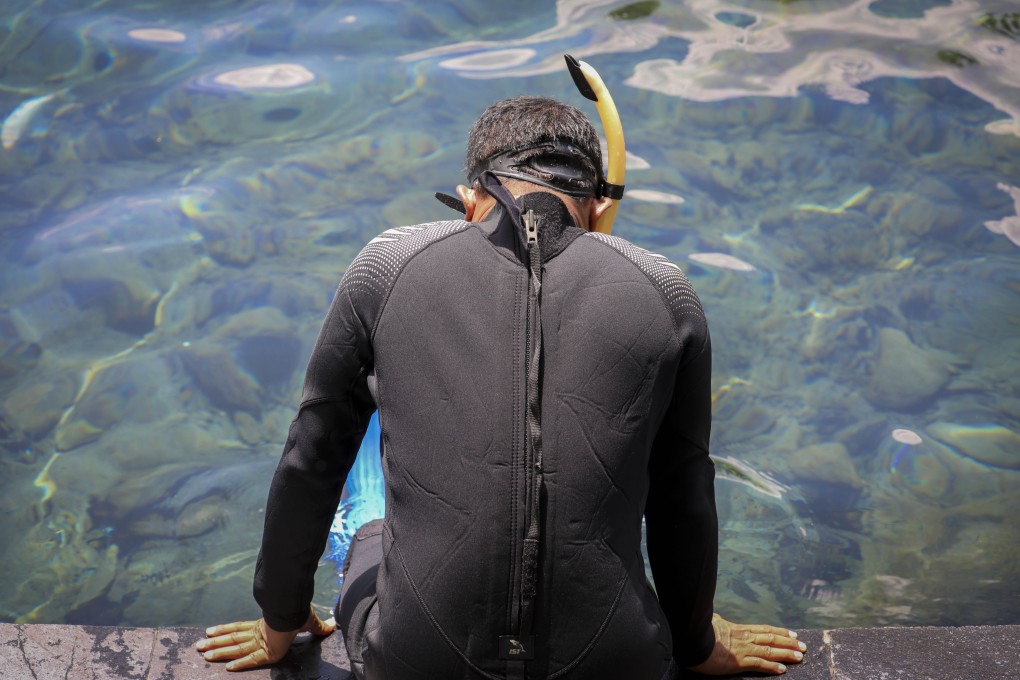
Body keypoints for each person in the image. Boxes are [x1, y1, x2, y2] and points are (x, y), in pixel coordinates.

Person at [197, 64, 807, 679]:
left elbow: (309, 462)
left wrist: (279, 621)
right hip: (619, 661)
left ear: (468, 202)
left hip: (416, 662)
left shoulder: (385, 266)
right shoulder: (667, 290)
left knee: (367, 507)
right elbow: (684, 496)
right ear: (597, 207)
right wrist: (697, 644)